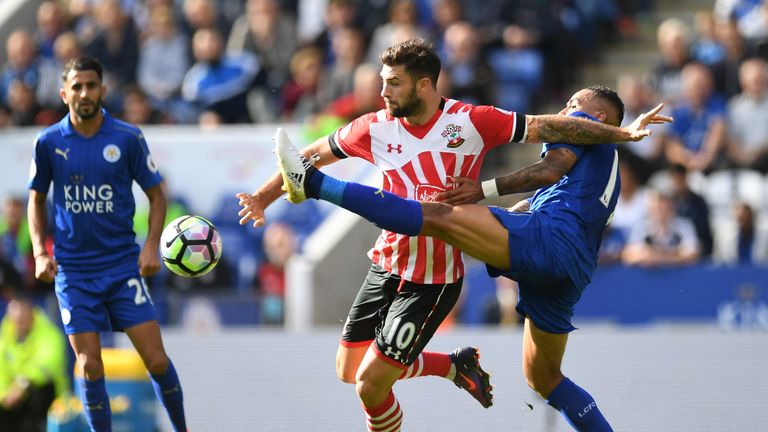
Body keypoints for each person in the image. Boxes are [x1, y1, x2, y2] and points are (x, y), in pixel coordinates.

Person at [236, 38, 668, 431]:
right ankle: (451, 366)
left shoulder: (479, 120)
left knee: (438, 220)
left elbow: (551, 147)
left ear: (423, 85)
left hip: (451, 271)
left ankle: (319, 190)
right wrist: (263, 196)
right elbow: (303, 156)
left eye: (393, 83)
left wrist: (620, 131)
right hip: (537, 264)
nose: (383, 92)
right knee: (542, 379)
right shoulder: (373, 126)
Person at [27, 56, 187, 432]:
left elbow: (157, 195)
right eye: (77, 87)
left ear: (103, 89)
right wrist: (37, 252)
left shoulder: (127, 138)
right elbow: (36, 198)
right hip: (74, 273)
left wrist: (151, 247)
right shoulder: (48, 142)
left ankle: (183, 428)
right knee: (90, 364)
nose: (85, 93)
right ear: (63, 93)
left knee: (157, 360)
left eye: (91, 85)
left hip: (121, 267)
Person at [0, 294, 69, 432]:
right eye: (17, 321)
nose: (21, 324)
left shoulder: (50, 334)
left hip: (49, 399)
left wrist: (22, 384)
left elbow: (48, 364)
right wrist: (4, 395)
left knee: (38, 393)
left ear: (32, 315)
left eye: (24, 320)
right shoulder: (6, 338)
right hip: (15, 399)